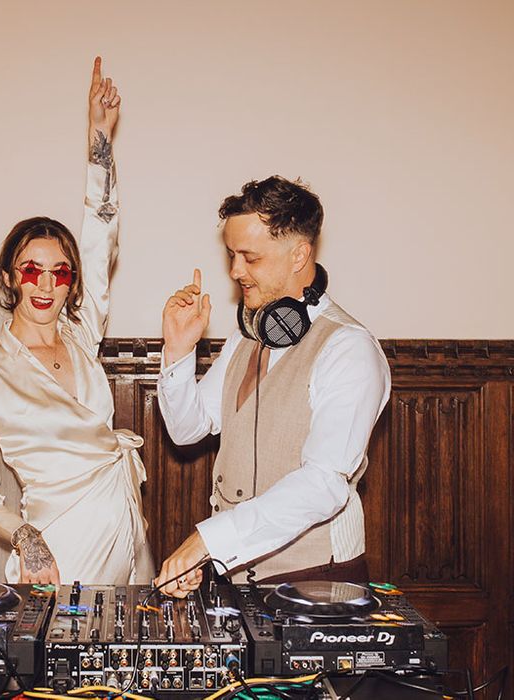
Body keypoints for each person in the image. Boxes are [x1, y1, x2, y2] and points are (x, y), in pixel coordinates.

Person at [0, 58, 154, 586]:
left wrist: (100, 137)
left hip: (126, 537)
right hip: (56, 551)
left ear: (73, 284)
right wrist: (25, 537)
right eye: (31, 270)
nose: (45, 284)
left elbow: (101, 230)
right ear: (10, 277)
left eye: (59, 273)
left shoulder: (83, 339)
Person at [155, 176, 391, 597]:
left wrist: (209, 541)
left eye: (250, 257)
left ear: (299, 254)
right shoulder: (248, 332)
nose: (234, 271)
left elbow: (323, 482)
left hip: (317, 578)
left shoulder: (349, 348)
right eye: (231, 255)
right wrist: (177, 351)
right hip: (235, 576)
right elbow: (187, 428)